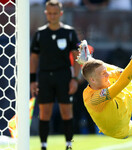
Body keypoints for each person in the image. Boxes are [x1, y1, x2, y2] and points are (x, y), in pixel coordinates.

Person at [76, 29, 132, 139]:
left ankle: (88, 60)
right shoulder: (93, 98)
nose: (107, 74)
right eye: (104, 73)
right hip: (116, 130)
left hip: (124, 100)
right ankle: (88, 60)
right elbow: (123, 81)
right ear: (92, 80)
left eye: (106, 72)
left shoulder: (104, 76)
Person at [30, 0, 81, 149]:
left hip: (64, 76)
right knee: (45, 112)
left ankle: (68, 144)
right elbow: (34, 58)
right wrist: (33, 80)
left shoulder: (69, 33)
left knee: (67, 111)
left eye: (55, 13)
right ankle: (44, 145)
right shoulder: (40, 34)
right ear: (46, 13)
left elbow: (76, 57)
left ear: (61, 14)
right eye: (49, 13)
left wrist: (75, 79)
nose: (52, 16)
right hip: (45, 76)